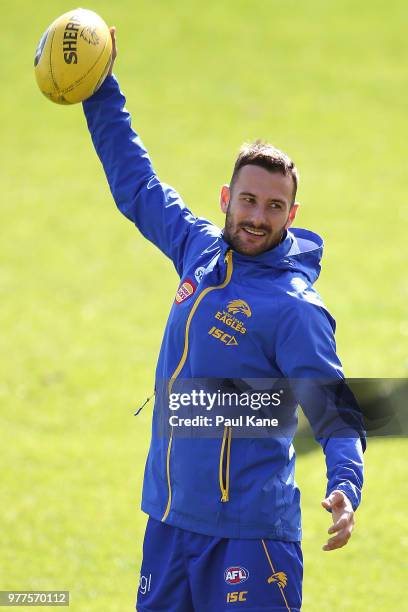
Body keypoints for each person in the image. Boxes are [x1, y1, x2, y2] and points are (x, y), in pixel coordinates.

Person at [83, 28, 365, 612]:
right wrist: (98, 85)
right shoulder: (198, 249)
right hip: (168, 520)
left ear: (293, 213)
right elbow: (136, 184)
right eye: (248, 200)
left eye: (274, 205)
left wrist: (344, 485)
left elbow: (335, 410)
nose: (258, 217)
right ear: (225, 198)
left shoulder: (294, 309)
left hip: (251, 539)